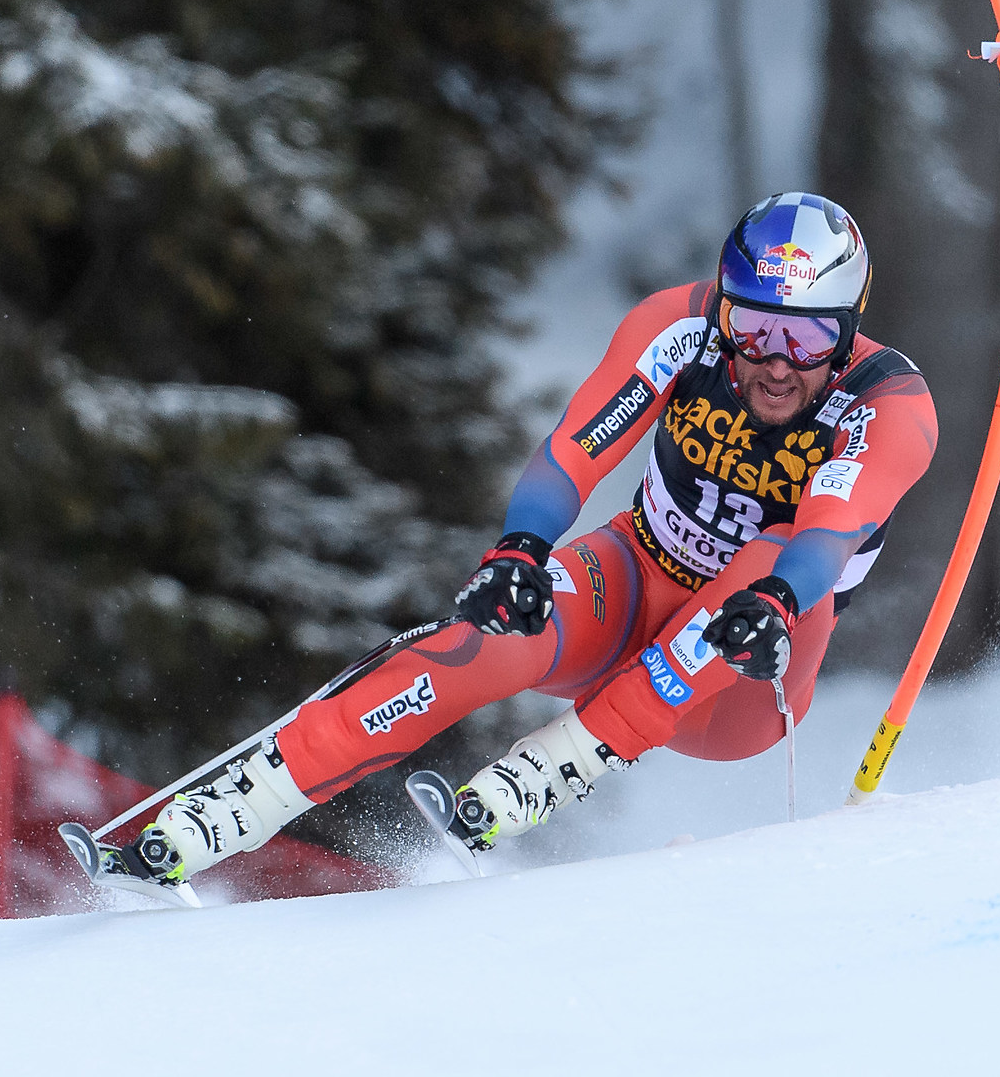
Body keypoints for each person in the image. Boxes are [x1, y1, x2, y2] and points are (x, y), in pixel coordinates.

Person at [134, 191, 937, 882]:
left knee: (764, 559)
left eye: (807, 340)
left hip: (742, 680)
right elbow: (574, 451)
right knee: (491, 636)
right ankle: (239, 804)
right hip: (637, 582)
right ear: (724, 307)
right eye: (755, 328)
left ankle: (560, 763)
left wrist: (777, 600)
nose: (775, 363)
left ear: (849, 333)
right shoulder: (680, 328)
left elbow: (827, 535)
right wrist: (519, 550)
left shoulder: (887, 403)